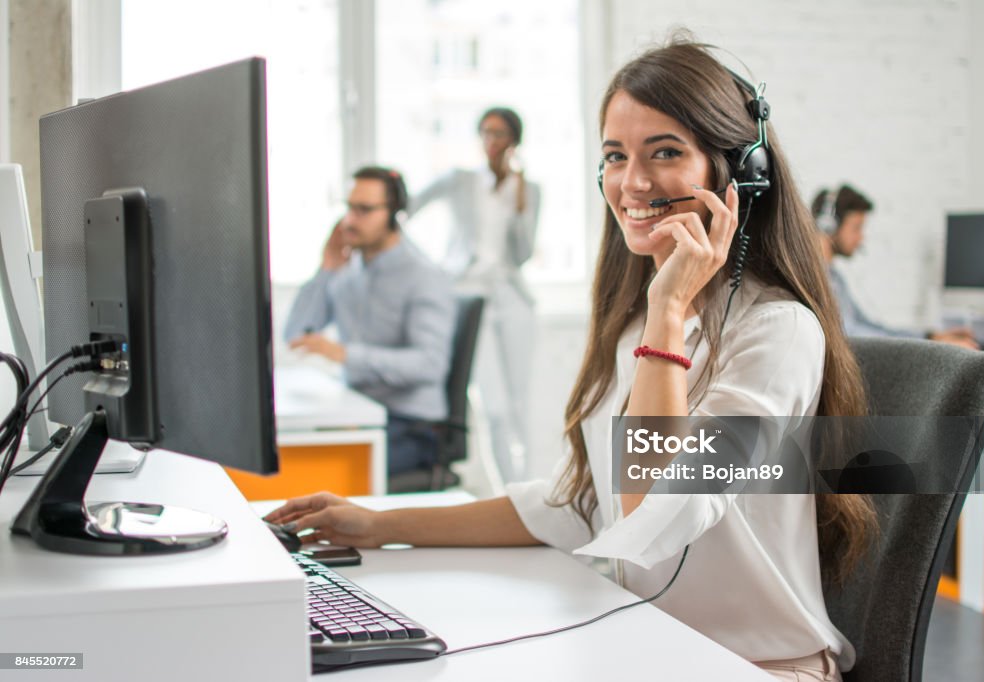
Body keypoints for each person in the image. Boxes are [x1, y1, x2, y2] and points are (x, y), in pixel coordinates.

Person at [269, 36, 877, 680]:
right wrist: (380, 524)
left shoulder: (777, 333)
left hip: (758, 665)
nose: (632, 183)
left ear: (738, 176)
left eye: (665, 152)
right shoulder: (638, 324)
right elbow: (579, 503)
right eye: (616, 156)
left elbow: (652, 518)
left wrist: (669, 307)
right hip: (649, 648)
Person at [284, 166, 457, 478]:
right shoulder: (348, 271)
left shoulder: (423, 276)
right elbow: (296, 335)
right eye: (349, 208)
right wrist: (326, 269)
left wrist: (347, 354)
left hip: (411, 425)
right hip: (358, 413)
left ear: (394, 214)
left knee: (317, 473)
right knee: (289, 454)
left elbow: (430, 364)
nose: (350, 220)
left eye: (364, 210)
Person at [406, 107, 541, 482]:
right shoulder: (459, 181)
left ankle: (527, 487)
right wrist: (434, 269)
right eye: (484, 132)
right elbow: (406, 209)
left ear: (513, 140)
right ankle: (505, 493)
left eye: (498, 134)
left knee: (518, 404)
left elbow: (523, 253)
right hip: (467, 295)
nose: (490, 141)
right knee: (493, 406)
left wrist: (520, 208)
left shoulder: (528, 190)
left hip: (511, 297)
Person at [812, 184, 978, 349]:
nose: (861, 238)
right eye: (856, 228)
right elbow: (851, 334)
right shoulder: (816, 279)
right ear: (828, 225)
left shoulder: (835, 278)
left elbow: (869, 327)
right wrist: (933, 346)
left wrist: (930, 337)